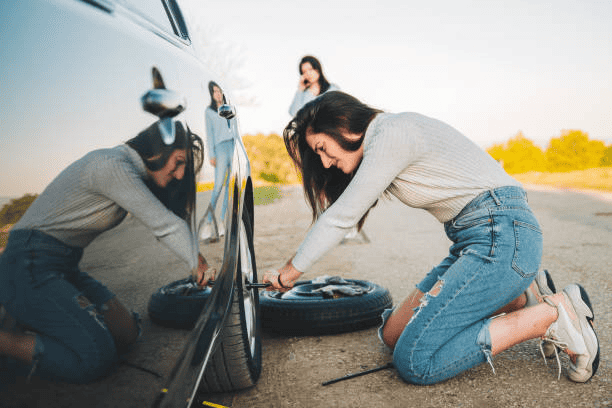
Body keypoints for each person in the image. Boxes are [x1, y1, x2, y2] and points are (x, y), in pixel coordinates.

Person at [262, 91, 599, 385]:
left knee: (415, 361)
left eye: (322, 147)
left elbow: (341, 217)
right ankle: (518, 295)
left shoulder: (392, 133)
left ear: (343, 125)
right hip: (478, 240)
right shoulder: (383, 141)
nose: (324, 161)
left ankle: (552, 315)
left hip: (502, 236)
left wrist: (290, 271)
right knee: (394, 335)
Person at [0, 120, 214, 385]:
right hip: (27, 264)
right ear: (158, 150)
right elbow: (165, 224)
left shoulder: (126, 171)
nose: (181, 174)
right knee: (96, 358)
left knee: (127, 334)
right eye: (179, 161)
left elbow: (166, 219)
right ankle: (7, 340)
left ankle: (40, 319)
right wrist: (199, 263)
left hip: (63, 266)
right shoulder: (112, 165)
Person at [289, 56, 365, 243]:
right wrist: (300, 90)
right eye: (304, 71)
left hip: (332, 143)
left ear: (318, 69)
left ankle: (350, 223)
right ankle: (328, 223)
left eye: (310, 69)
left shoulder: (332, 89)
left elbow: (342, 112)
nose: (308, 73)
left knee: (339, 183)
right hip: (313, 146)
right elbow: (294, 114)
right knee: (319, 185)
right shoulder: (304, 93)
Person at [200, 81, 238, 240]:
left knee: (229, 187)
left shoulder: (229, 109)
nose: (218, 94)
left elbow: (235, 130)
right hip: (220, 149)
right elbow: (209, 134)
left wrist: (237, 151)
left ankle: (222, 221)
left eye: (219, 91)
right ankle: (208, 223)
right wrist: (211, 155)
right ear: (211, 94)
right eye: (214, 91)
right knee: (217, 187)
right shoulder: (209, 112)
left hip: (232, 147)